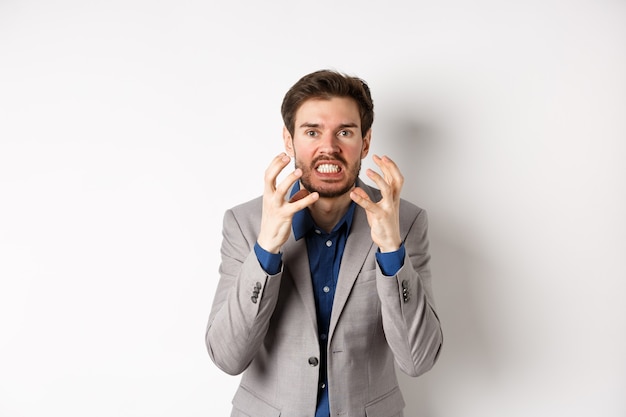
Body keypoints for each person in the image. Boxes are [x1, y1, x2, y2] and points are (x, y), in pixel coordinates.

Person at [205, 69, 443, 417]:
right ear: (289, 141)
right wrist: (266, 248)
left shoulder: (405, 222)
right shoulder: (244, 223)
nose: (328, 147)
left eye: (344, 132)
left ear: (364, 142)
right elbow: (227, 357)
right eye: (312, 131)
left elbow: (418, 359)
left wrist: (391, 250)